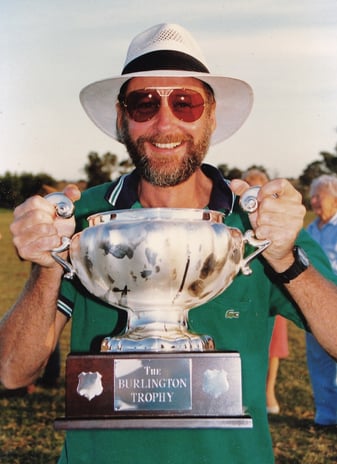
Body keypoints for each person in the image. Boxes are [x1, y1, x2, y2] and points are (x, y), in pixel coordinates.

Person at [1, 23, 337, 464]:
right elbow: (12, 372)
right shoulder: (84, 219)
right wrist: (47, 264)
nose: (165, 122)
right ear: (122, 118)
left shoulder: (254, 220)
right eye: (144, 103)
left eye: (185, 102)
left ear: (211, 115)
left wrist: (284, 257)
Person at [242, 169, 289, 414]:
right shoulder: (236, 219)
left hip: (271, 287)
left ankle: (269, 390)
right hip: (245, 292)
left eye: (257, 190)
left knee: (274, 344)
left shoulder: (277, 220)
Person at [306, 174, 337, 426]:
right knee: (318, 358)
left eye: (319, 196)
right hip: (313, 303)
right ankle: (326, 415)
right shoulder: (309, 230)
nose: (313, 201)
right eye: (312, 196)